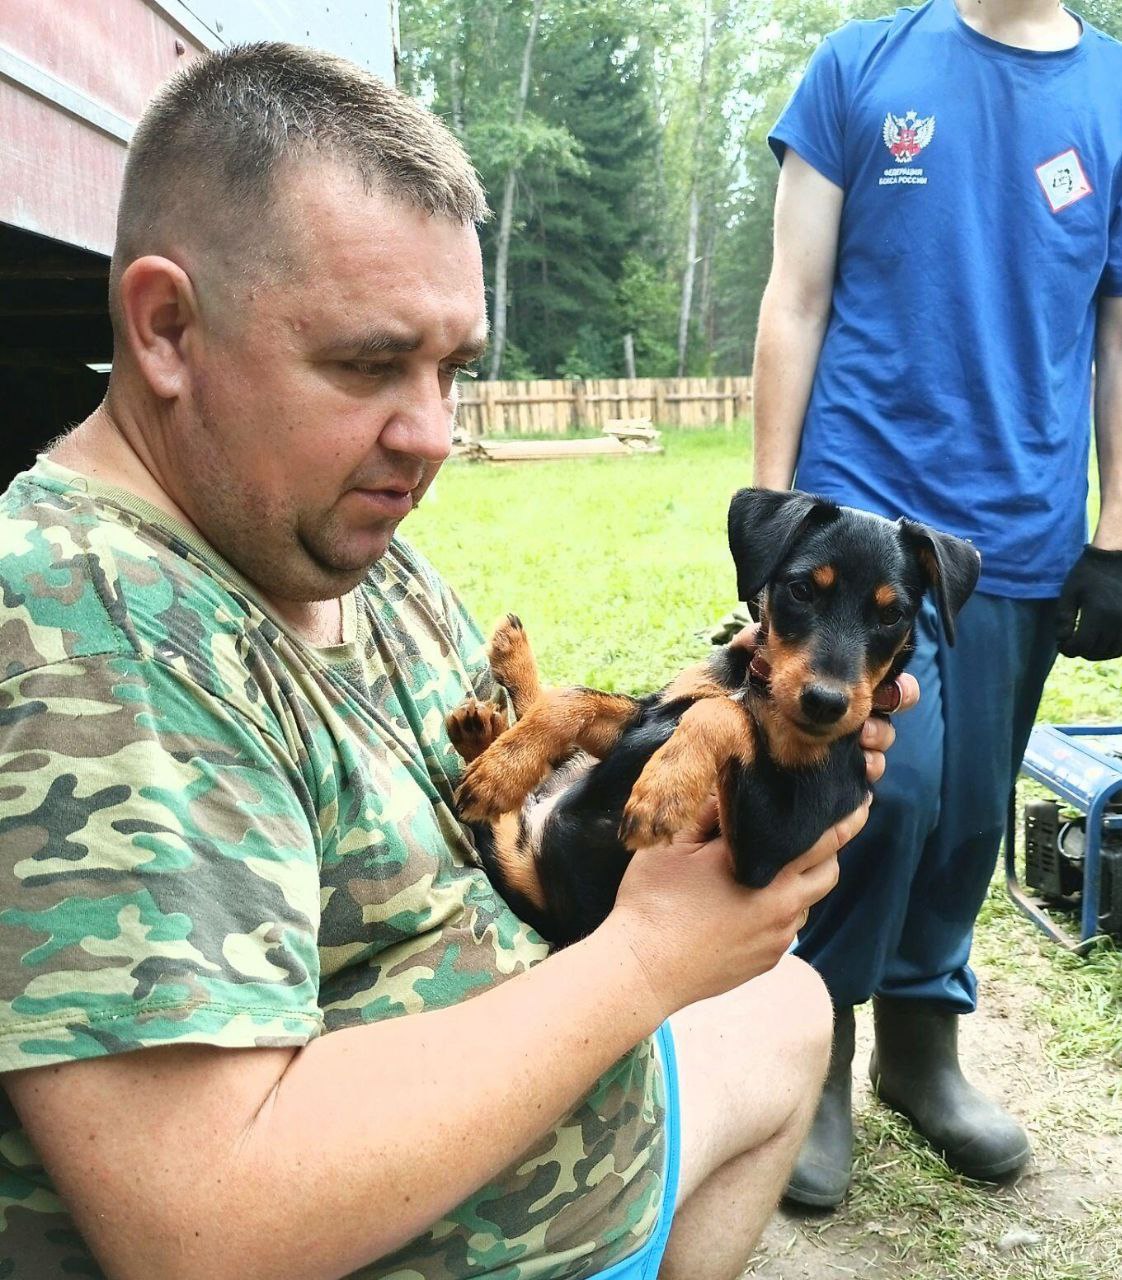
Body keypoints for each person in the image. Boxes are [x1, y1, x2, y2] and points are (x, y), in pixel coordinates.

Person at [0, 42, 915, 1280]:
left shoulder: (323, 535)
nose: (433, 433)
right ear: (167, 328)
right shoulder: (85, 630)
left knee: (792, 1005)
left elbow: (518, 805)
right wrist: (649, 958)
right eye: (370, 363)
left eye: (454, 369)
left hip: (557, 1100)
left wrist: (733, 729)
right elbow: (200, 1231)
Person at [753, 0, 1122, 1210]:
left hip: (1021, 526)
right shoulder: (861, 65)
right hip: (859, 504)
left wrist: (1118, 529)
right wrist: (772, 507)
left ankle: (921, 1045)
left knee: (969, 807)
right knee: (885, 786)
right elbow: (795, 296)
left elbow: (1117, 329)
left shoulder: (1116, 95)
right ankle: (814, 1047)